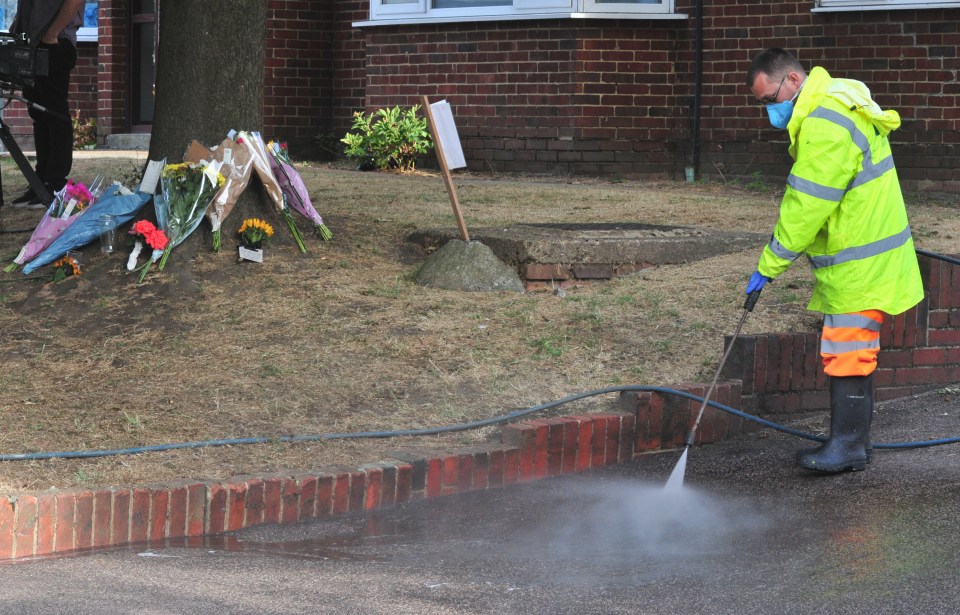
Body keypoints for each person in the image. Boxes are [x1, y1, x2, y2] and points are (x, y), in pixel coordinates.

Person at [744, 48, 924, 473]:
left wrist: (769, 265)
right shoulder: (838, 100)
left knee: (848, 351)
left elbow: (808, 204)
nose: (769, 111)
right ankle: (850, 443)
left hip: (860, 263)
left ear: (791, 81)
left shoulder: (825, 123)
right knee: (849, 349)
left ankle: (847, 447)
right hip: (863, 255)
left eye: (770, 100)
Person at [10, 0, 84, 207]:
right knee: (38, 115)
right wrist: (18, 26)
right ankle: (40, 181)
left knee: (54, 114)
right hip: (31, 44)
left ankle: (55, 182)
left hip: (55, 44)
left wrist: (52, 33)